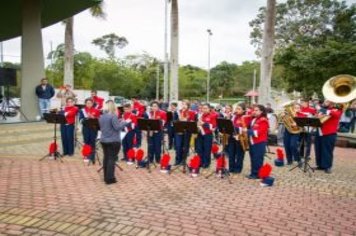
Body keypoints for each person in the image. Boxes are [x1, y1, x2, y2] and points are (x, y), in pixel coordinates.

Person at [99, 100, 127, 184]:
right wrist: (124, 122)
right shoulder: (113, 116)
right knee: (111, 158)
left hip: (104, 140)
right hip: (113, 140)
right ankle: (110, 178)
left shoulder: (102, 116)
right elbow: (117, 127)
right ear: (113, 107)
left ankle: (105, 177)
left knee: (106, 157)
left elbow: (105, 127)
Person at [315, 100, 342, 173]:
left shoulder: (337, 109)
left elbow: (335, 115)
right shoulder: (323, 109)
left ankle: (327, 166)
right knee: (318, 149)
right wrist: (319, 112)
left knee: (327, 150)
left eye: (327, 101)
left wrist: (321, 109)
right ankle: (320, 165)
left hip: (329, 133)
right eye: (325, 101)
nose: (325, 102)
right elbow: (317, 117)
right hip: (319, 131)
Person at [244, 105, 269, 179]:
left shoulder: (263, 120)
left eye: (256, 110)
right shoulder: (254, 119)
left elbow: (258, 132)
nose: (254, 111)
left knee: (257, 158)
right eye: (254, 110)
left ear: (261, 111)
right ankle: (253, 173)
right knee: (253, 158)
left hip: (259, 142)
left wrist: (247, 131)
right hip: (252, 141)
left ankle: (257, 174)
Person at [227, 103, 251, 174]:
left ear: (243, 111)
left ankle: (238, 169)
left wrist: (237, 129)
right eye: (236, 108)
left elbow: (245, 128)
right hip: (232, 137)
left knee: (239, 154)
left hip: (241, 138)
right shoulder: (234, 116)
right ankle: (231, 168)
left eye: (239, 109)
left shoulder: (245, 117)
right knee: (231, 153)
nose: (237, 110)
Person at [78, 98, 101, 163]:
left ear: (92, 103)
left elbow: (99, 119)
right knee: (86, 141)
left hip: (94, 128)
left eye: (90, 103)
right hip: (86, 128)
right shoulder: (82, 110)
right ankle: (86, 155)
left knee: (92, 142)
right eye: (87, 103)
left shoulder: (96, 110)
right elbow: (80, 120)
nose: (89, 104)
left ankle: (92, 156)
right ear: (85, 104)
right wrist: (87, 118)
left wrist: (94, 118)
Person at [174, 100, 196, 165]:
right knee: (178, 146)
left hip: (187, 131)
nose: (183, 106)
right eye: (182, 104)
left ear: (188, 106)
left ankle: (184, 160)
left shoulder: (192, 112)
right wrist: (179, 119)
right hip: (178, 131)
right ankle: (178, 159)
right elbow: (174, 121)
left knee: (185, 146)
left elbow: (193, 122)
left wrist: (187, 120)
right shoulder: (178, 112)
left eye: (185, 104)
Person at [196, 103, 216, 168]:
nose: (204, 110)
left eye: (205, 108)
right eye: (203, 108)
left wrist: (204, 123)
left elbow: (213, 126)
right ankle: (200, 162)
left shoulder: (212, 116)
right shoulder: (200, 115)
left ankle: (206, 163)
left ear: (209, 109)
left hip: (208, 135)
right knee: (199, 149)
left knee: (207, 149)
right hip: (200, 134)